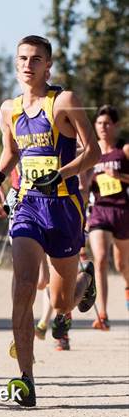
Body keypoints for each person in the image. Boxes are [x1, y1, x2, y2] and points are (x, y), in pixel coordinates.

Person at [0, 35, 100, 407]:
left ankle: (85, 283)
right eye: (22, 59)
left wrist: (62, 173)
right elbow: (12, 152)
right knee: (23, 286)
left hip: (64, 208)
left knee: (61, 301)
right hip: (28, 205)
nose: (28, 65)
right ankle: (26, 379)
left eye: (36, 59)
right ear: (15, 64)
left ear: (48, 65)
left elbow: (92, 151)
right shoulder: (8, 109)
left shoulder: (63, 101)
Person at [87, 105, 129, 329]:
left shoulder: (124, 150)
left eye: (107, 123)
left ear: (116, 126)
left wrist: (119, 176)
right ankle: (102, 314)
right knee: (101, 259)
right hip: (99, 211)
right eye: (99, 123)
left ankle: (128, 288)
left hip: (122, 211)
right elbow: (82, 186)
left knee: (123, 265)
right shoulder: (90, 153)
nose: (103, 127)